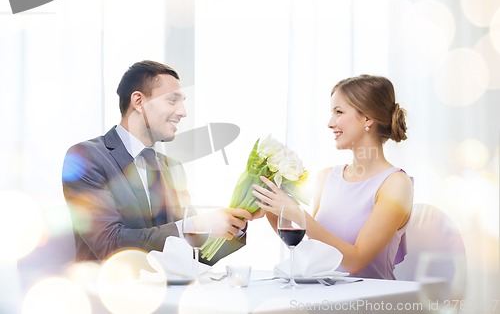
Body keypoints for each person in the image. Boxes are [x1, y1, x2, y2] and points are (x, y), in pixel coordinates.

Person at [62, 60, 256, 264]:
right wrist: (194, 226)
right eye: (172, 101)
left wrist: (238, 220)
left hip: (168, 294)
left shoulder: (173, 168)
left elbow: (198, 254)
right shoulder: (86, 156)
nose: (183, 112)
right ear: (138, 101)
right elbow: (109, 244)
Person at [252, 74, 413, 279]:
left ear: (368, 118)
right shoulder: (326, 177)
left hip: (369, 302)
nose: (330, 123)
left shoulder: (396, 184)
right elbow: (315, 254)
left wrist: (298, 214)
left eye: (339, 112)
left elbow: (355, 261)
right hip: (323, 297)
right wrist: (275, 211)